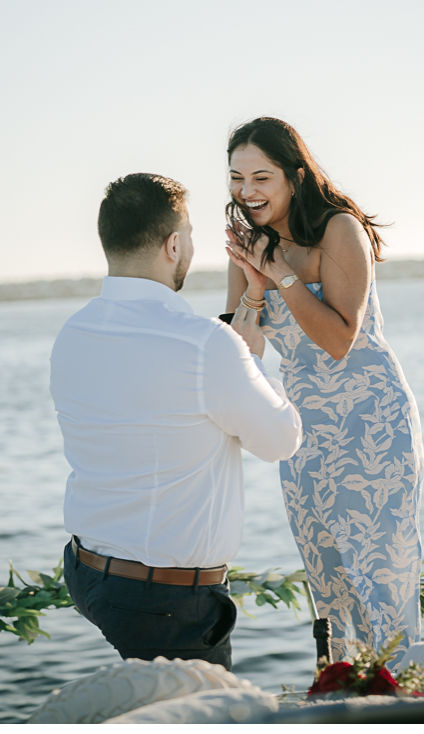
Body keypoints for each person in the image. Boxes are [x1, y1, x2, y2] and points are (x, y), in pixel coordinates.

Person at [50, 172, 302, 671]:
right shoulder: (205, 343)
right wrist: (250, 359)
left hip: (89, 574)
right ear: (172, 244)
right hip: (163, 602)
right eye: (187, 235)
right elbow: (280, 440)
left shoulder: (72, 333)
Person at [224, 118, 424, 664]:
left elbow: (339, 339)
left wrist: (283, 276)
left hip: (372, 424)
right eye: (237, 178)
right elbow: (243, 349)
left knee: (379, 574)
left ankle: (402, 696)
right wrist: (256, 289)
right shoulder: (249, 245)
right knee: (329, 578)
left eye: (261, 176)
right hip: (304, 433)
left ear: (294, 174)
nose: (247, 192)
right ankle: (349, 696)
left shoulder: (341, 229)